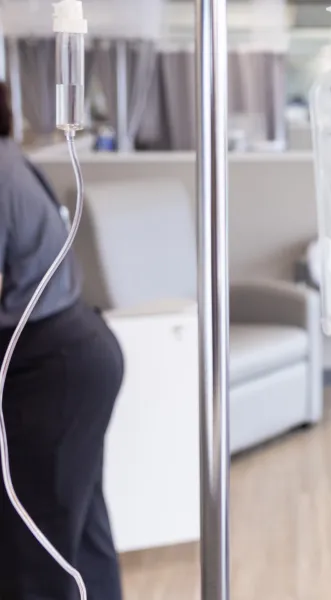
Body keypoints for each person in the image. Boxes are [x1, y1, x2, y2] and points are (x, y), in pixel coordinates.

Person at [0, 82, 125, 599]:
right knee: (79, 535)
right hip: (77, 356)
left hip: (52, 371)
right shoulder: (9, 157)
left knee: (35, 552)